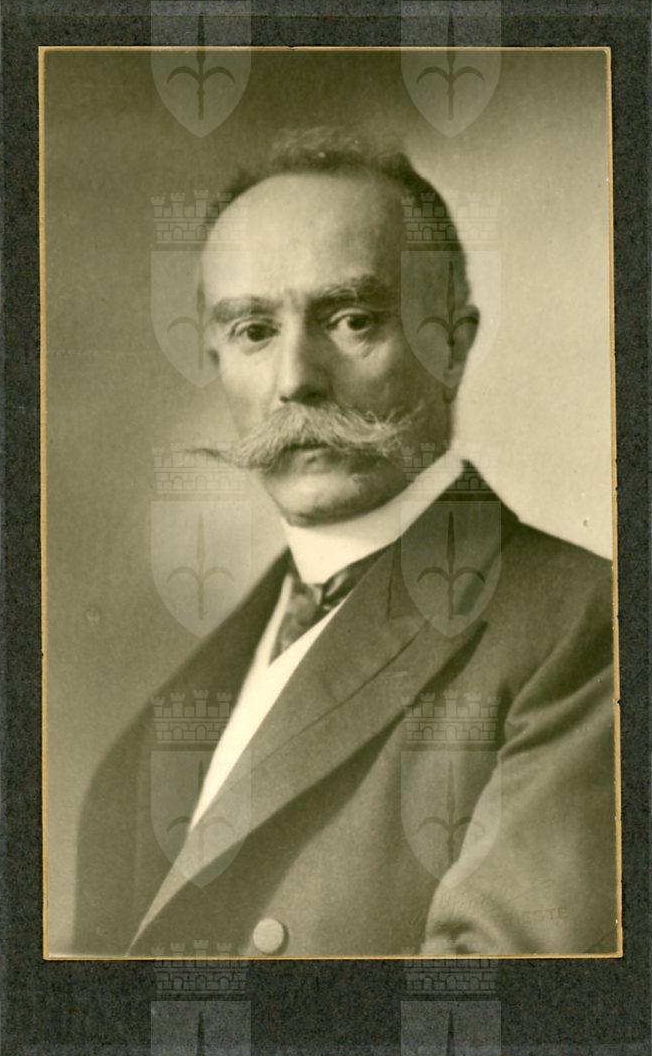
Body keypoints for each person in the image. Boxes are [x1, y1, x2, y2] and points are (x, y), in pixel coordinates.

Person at [72, 126, 618, 958]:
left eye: (352, 318)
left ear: (452, 345)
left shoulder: (583, 627)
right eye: (253, 330)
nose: (296, 379)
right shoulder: (144, 750)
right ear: (214, 355)